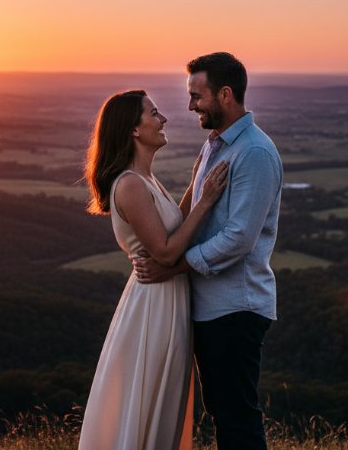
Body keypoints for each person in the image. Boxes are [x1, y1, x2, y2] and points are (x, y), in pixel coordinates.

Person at [132, 52, 282, 450]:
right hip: (211, 307)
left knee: (238, 418)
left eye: (197, 96)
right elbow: (191, 210)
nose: (190, 105)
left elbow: (238, 239)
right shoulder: (215, 146)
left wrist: (174, 267)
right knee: (223, 414)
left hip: (237, 306)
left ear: (226, 94)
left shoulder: (253, 153)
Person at [78, 89, 230, 450]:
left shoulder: (145, 179)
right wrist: (205, 202)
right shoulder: (130, 184)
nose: (163, 120)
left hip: (168, 299)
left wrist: (195, 184)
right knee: (149, 398)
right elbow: (164, 252)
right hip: (153, 306)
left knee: (163, 398)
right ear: (133, 129)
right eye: (154, 113)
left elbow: (170, 231)